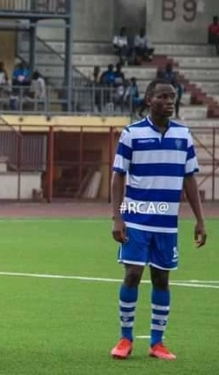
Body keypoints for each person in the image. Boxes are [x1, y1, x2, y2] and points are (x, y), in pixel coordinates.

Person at [110, 78, 207, 361]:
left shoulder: (183, 135)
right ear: (149, 99)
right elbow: (118, 176)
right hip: (137, 217)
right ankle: (125, 338)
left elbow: (189, 179)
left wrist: (200, 220)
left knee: (161, 279)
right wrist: (117, 218)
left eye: (172, 97)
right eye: (163, 96)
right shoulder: (132, 134)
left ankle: (157, 342)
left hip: (167, 220)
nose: (169, 101)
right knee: (132, 274)